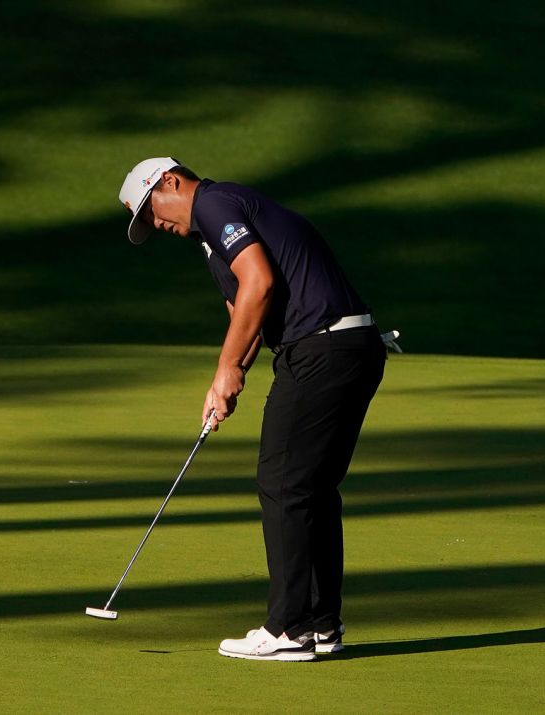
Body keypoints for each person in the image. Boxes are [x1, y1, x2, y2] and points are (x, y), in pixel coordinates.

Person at [118, 156, 387, 662]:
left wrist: (226, 369)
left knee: (283, 483)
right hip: (351, 347)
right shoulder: (212, 234)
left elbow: (258, 280)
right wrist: (227, 379)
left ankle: (287, 628)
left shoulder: (216, 203)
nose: (157, 227)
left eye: (152, 213)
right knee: (311, 490)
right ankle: (322, 625)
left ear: (170, 182)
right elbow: (248, 312)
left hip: (321, 349)